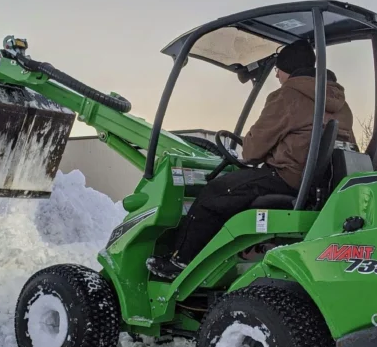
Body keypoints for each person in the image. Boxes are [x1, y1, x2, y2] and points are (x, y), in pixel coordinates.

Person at [146, 39, 356, 279]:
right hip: (321, 185)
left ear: (288, 68)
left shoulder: (289, 95)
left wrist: (254, 148)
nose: (276, 75)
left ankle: (180, 261)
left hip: (288, 178)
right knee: (235, 190)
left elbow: (252, 151)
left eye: (278, 68)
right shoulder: (339, 102)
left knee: (214, 193)